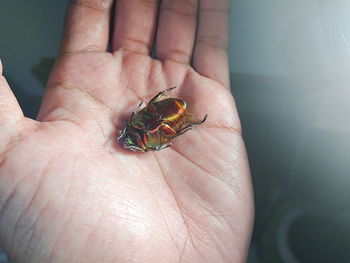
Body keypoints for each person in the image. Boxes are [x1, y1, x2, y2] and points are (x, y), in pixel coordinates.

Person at [0, 0, 254, 262]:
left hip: (161, 116)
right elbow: (157, 136)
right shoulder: (142, 136)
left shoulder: (140, 132)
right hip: (161, 119)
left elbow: (155, 133)